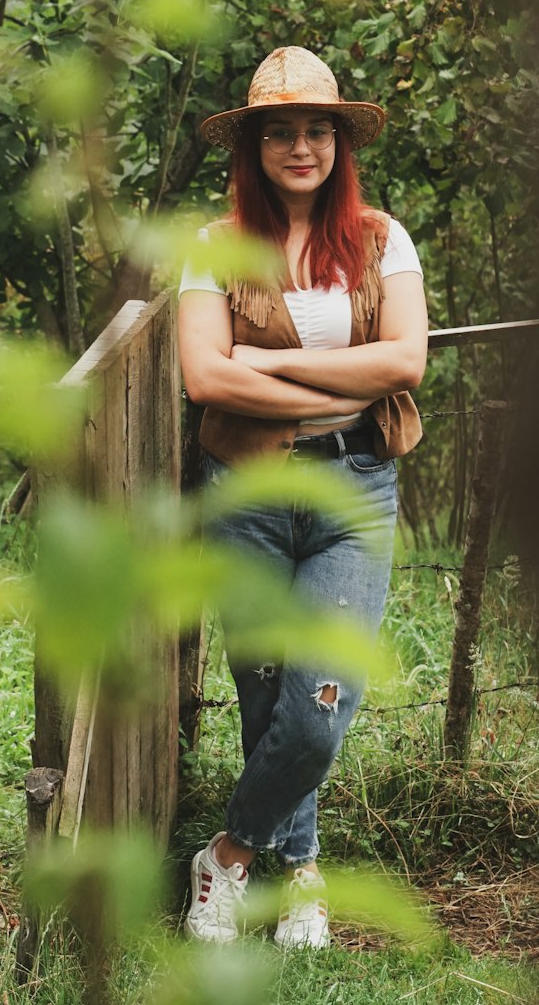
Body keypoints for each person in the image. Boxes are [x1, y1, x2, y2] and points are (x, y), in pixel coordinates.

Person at [178, 46, 428, 949]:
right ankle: (304, 873)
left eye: (317, 128)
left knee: (323, 699)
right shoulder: (215, 247)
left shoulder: (378, 237)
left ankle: (231, 854)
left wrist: (275, 363)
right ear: (254, 146)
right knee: (266, 687)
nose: (301, 145)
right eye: (280, 130)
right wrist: (336, 387)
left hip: (355, 483)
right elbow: (205, 372)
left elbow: (404, 361)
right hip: (245, 488)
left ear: (338, 141)